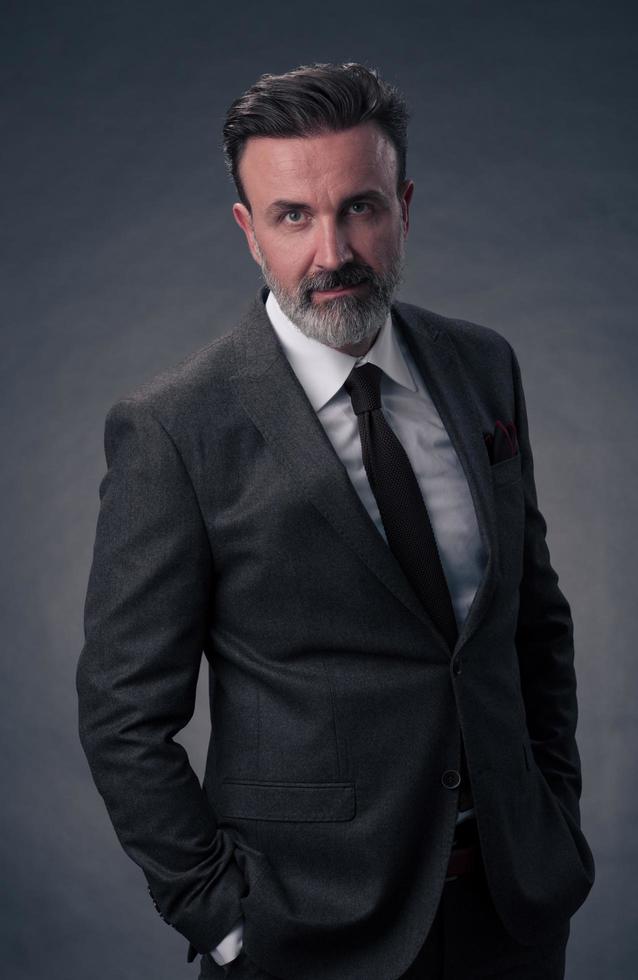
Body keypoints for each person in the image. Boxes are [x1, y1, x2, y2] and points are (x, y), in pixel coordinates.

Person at [76, 63, 594, 980]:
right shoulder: (175, 428)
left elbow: (531, 625)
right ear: (248, 231)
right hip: (306, 937)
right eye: (293, 217)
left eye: (358, 209)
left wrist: (555, 816)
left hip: (512, 914)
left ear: (403, 206)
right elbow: (123, 716)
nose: (332, 253)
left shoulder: (481, 368)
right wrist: (221, 917)